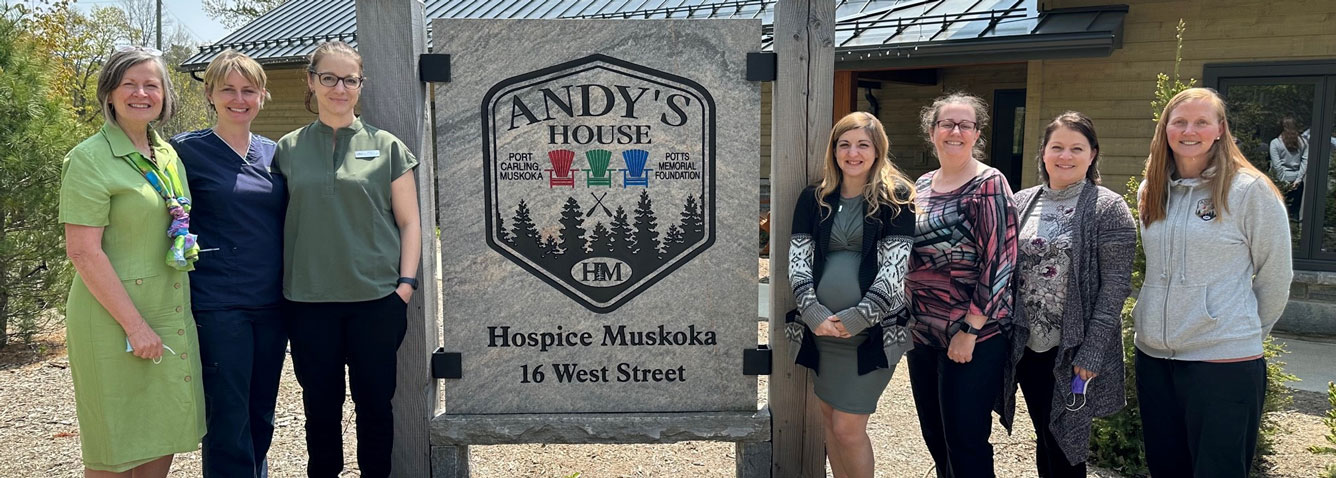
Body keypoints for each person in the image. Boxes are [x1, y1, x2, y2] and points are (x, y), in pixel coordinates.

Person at [274, 40, 421, 478]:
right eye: (329, 78)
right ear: (311, 81)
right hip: (307, 302)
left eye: (349, 80)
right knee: (320, 409)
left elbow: (410, 223)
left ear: (360, 85)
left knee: (375, 406)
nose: (340, 88)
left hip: (376, 302)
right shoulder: (287, 149)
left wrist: (405, 288)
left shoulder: (388, 147)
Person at [58, 46, 205, 477]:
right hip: (114, 319)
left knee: (162, 430)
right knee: (117, 444)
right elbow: (83, 251)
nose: (141, 93)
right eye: (129, 84)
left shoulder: (167, 155)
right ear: (109, 92)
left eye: (152, 85)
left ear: (165, 95)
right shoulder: (89, 158)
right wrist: (135, 326)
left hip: (168, 307)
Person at [1135, 87, 1293, 477]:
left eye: (1202, 121)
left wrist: (1239, 330)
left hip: (1223, 363)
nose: (1190, 130)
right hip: (1154, 358)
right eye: (1180, 121)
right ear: (1166, 129)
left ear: (1220, 129)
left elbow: (1276, 273)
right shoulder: (1151, 191)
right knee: (1165, 468)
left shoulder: (1248, 190)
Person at [169, 49, 286, 478]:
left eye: (248, 90)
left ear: (261, 96)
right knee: (228, 417)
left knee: (262, 413)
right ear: (210, 94)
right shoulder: (185, 152)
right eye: (228, 90)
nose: (239, 99)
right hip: (219, 305)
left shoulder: (276, 154)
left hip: (272, 305)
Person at [785, 112, 917, 478]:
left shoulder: (897, 198)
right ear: (834, 150)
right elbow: (798, 260)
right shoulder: (814, 198)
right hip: (822, 332)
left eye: (863, 145)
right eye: (844, 144)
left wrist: (859, 316)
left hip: (870, 335)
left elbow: (895, 269)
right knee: (829, 419)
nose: (853, 152)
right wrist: (812, 312)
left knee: (848, 428)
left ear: (877, 151)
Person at [1009, 112, 1135, 477]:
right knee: (1044, 436)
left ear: (1092, 154)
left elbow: (1115, 288)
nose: (1065, 156)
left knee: (1067, 443)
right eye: (1057, 147)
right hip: (1028, 345)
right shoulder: (1021, 202)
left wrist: (1093, 351)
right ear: (1044, 152)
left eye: (1076, 148)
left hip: (1074, 350)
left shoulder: (1108, 208)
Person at [905, 92, 1021, 478]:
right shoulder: (921, 185)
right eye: (946, 124)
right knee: (936, 438)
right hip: (923, 333)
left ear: (976, 134)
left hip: (973, 336)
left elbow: (1000, 262)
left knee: (965, 441)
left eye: (965, 125)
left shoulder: (989, 184)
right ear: (932, 131)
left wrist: (970, 329)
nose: (955, 131)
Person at [1269, 116, 1307, 219]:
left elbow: (1277, 165)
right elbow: (1305, 162)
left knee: (1278, 216)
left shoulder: (1275, 143)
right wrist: (1298, 179)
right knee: (1293, 215)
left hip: (1279, 182)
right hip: (1296, 183)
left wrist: (1284, 183)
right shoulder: (1303, 143)